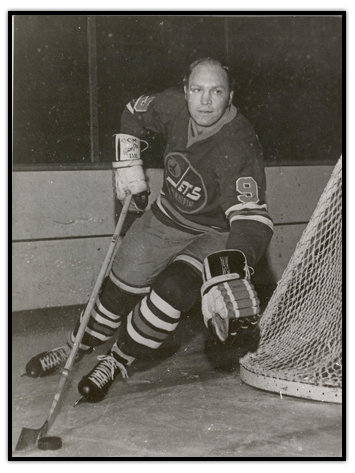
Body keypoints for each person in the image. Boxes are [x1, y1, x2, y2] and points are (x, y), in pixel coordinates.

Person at [25, 57, 274, 403]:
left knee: (172, 293)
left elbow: (251, 218)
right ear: (185, 92)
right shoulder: (171, 105)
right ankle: (73, 347)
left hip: (214, 234)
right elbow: (132, 112)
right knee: (116, 293)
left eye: (216, 91)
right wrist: (128, 162)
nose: (205, 101)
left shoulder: (239, 144)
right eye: (198, 90)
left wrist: (234, 265)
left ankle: (115, 360)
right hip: (165, 217)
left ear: (230, 96)